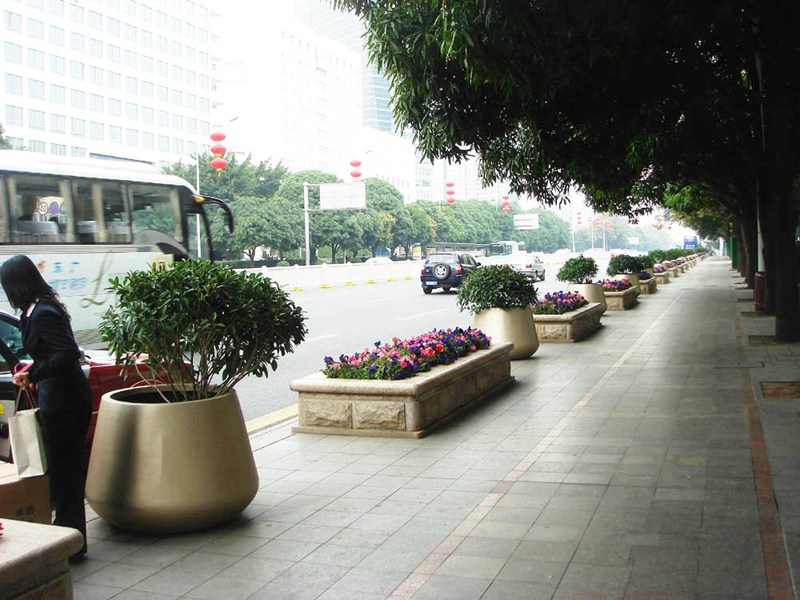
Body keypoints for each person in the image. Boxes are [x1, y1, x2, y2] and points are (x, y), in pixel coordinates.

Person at [0, 255, 92, 562]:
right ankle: (70, 538)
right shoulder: (37, 310)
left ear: (16, 285)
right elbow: (51, 353)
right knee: (63, 473)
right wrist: (32, 370)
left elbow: (67, 353)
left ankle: (72, 544)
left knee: (66, 475)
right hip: (60, 399)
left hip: (67, 403)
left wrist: (34, 374)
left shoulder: (43, 313)